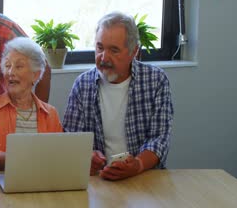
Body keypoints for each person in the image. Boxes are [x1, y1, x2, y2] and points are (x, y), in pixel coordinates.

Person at [62, 12, 173, 181]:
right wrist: (87, 156)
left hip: (144, 177)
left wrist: (137, 165)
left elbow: (159, 138)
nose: (104, 57)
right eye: (100, 48)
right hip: (98, 180)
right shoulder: (82, 84)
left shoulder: (156, 80)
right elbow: (70, 138)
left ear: (133, 51)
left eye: (114, 50)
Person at [0, 37, 63, 170]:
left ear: (35, 75)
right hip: (4, 177)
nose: (11, 72)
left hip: (42, 178)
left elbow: (59, 154)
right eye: (7, 66)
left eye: (19, 66)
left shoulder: (51, 113)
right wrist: (28, 160)